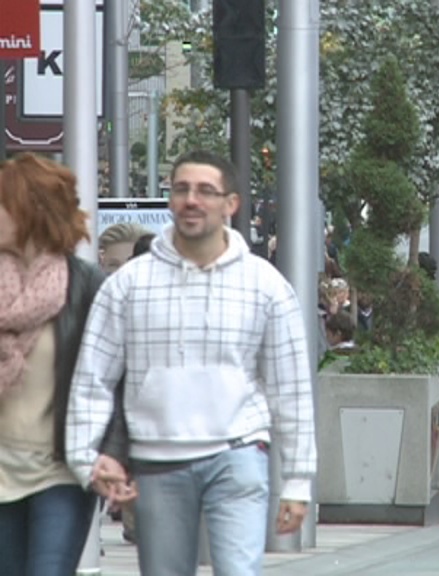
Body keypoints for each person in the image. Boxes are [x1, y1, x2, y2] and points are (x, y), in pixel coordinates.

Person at [65, 150, 318, 574]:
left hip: (238, 454)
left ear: (231, 204)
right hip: (156, 460)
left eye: (205, 191)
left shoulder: (265, 285)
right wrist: (86, 457)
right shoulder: (128, 284)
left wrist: (297, 481)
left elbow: (290, 387)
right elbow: (93, 378)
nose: (191, 200)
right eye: (181, 189)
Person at [0, 153, 131, 575]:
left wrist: (113, 453)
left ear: (30, 211)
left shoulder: (87, 286)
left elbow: (117, 379)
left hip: (62, 470)